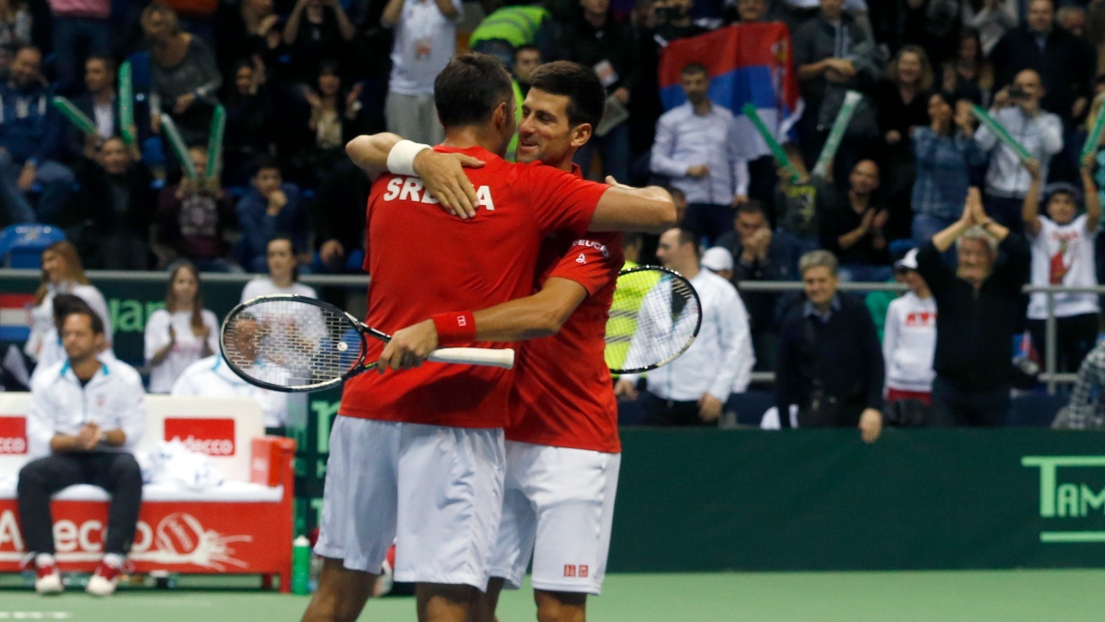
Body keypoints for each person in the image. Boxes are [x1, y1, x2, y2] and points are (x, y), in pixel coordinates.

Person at [303, 53, 673, 622]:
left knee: (345, 594)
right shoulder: (520, 186)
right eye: (525, 114)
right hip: (473, 419)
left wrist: (412, 157)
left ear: (579, 133)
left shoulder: (389, 181)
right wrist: (420, 156)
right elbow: (663, 211)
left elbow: (361, 146)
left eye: (544, 119)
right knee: (459, 604)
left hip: (557, 431)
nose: (527, 128)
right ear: (502, 114)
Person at [18, 308, 146, 597]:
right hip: (66, 458)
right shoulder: (46, 380)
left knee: (130, 469)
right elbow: (39, 437)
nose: (71, 340)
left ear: (98, 339)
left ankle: (112, 562)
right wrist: (75, 440)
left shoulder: (124, 377)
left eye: (79, 334)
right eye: (66, 334)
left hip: (108, 456)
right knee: (30, 474)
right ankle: (44, 563)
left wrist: (101, 435)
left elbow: (133, 432)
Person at [615, 227, 754, 426]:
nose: (658, 253)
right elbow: (641, 340)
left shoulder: (721, 291)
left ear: (687, 248)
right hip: (658, 398)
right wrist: (629, 377)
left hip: (702, 400)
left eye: (665, 247)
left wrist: (719, 393)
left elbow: (736, 345)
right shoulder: (656, 291)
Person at [916, 188, 1030, 426]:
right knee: (947, 457)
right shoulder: (947, 284)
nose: (971, 259)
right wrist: (963, 225)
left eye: (979, 253)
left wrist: (984, 223)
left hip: (994, 391)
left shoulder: (1005, 284)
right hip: (949, 389)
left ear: (992, 256)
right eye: (965, 253)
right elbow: (924, 256)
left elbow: (1021, 250)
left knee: (989, 459)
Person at [775, 250, 884, 442]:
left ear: (836, 280)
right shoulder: (793, 319)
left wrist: (873, 407)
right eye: (810, 281)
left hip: (855, 414)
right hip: (812, 415)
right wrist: (785, 426)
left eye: (822, 280)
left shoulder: (856, 311)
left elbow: (875, 362)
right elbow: (784, 375)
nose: (816, 287)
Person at [650, 63, 750, 245]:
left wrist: (741, 189)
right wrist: (687, 169)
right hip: (689, 199)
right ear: (682, 85)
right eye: (688, 83)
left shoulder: (725, 117)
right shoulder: (671, 120)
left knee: (725, 249)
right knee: (689, 248)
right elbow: (656, 161)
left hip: (723, 198)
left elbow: (737, 158)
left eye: (698, 82)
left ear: (708, 82)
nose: (693, 88)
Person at [1023, 157, 1101, 375]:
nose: (1062, 206)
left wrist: (1086, 174)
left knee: (1082, 373)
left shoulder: (1082, 229)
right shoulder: (1043, 229)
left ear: (1075, 209)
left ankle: (1080, 411)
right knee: (1049, 372)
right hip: (1045, 311)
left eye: (1068, 202)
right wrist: (1035, 180)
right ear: (1048, 207)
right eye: (1057, 201)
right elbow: (1028, 217)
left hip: (1082, 309)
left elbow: (1095, 213)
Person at [974, 69, 1064, 235]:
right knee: (996, 253)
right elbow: (982, 143)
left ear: (1040, 91)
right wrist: (996, 107)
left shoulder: (1050, 120)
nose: (1025, 90)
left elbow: (1054, 147)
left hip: (1030, 198)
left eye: (1030, 86)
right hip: (997, 195)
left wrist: (1035, 115)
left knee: (1026, 251)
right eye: (1020, 86)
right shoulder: (1002, 115)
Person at [171, 313, 289, 434]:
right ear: (228, 340)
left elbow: (294, 427)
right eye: (247, 339)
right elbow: (174, 417)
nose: (255, 345)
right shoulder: (196, 375)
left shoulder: (280, 377)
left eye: (258, 339)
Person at [715, 200, 799, 370]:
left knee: (771, 366)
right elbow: (721, 287)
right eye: (746, 226)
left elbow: (783, 287)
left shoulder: (781, 245)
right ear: (736, 225)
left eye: (757, 227)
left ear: (766, 226)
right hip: (733, 318)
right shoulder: (726, 244)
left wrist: (762, 258)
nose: (752, 233)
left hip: (771, 319)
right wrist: (746, 258)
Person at [564, 0, 640, 183]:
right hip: (582, 112)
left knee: (618, 174)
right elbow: (563, 69)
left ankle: (619, 211)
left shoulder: (623, 32)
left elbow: (638, 66)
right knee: (575, 174)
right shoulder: (569, 33)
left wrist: (627, 87)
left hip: (615, 112)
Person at [989, 0, 1096, 127]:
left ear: (1053, 14)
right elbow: (997, 72)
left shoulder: (1069, 42)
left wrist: (1083, 96)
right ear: (1028, 14)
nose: (1040, 17)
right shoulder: (1012, 39)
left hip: (1060, 112)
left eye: (1045, 12)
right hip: (1018, 110)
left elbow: (1085, 72)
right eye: (1035, 12)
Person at [0, 46, 75, 224]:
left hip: (36, 161)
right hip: (5, 159)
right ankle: (29, 223)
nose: (26, 70)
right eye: (23, 64)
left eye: (32, 66)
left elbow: (53, 135)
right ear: (13, 63)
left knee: (64, 177)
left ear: (39, 71)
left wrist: (33, 163)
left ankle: (40, 224)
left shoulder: (48, 97)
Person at [382, 0, 464, 145]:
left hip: (440, 88)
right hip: (403, 87)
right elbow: (388, 19)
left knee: (439, 149)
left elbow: (451, 13)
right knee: (403, 150)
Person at [873, 45, 933, 238]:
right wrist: (885, 133)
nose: (908, 68)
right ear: (896, 66)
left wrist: (921, 131)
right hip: (884, 154)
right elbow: (872, 121)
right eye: (905, 63)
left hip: (915, 158)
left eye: (913, 64)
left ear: (921, 69)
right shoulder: (883, 88)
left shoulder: (928, 96)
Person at [142, 3, 222, 146]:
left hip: (203, 111)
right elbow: (155, 89)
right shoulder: (153, 53)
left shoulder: (195, 45)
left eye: (161, 24)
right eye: (153, 25)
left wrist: (194, 95)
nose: (158, 30)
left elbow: (216, 80)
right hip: (174, 117)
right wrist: (154, 112)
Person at [911, 91, 985, 244]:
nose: (937, 110)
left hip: (958, 214)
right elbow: (924, 158)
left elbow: (978, 161)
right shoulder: (922, 134)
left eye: (941, 105)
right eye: (932, 106)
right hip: (929, 212)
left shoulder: (960, 138)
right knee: (930, 261)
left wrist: (967, 130)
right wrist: (936, 128)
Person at [72, 136, 155, 270]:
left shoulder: (136, 180)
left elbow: (145, 188)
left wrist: (134, 149)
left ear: (127, 156)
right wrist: (89, 150)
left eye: (119, 152)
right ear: (101, 158)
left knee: (137, 247)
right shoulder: (96, 181)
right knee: (113, 246)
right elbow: (86, 177)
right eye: (108, 154)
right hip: (104, 238)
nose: (114, 158)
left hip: (134, 238)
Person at [23, 241, 113, 364]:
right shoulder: (46, 295)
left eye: (52, 260)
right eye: (44, 262)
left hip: (76, 366)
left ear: (68, 261)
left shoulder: (89, 294)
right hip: (42, 365)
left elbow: (104, 338)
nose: (47, 267)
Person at [153, 145, 237, 272]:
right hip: (181, 258)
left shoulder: (221, 194)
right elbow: (161, 225)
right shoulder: (170, 193)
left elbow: (232, 224)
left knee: (237, 274)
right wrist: (179, 196)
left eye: (203, 166)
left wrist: (220, 198)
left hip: (214, 257)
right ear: (183, 167)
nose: (199, 170)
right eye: (194, 165)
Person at [145, 262, 218, 394]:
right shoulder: (160, 318)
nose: (186, 287)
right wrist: (171, 342)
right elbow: (151, 360)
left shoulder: (208, 318)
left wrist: (205, 341)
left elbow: (215, 362)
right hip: (164, 389)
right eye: (181, 282)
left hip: (197, 391)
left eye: (191, 282)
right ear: (172, 286)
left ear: (197, 287)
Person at [819, 159, 893, 282]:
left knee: (894, 278)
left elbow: (883, 252)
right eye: (859, 174)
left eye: (869, 176)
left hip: (873, 268)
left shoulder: (880, 209)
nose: (863, 180)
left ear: (876, 183)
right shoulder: (834, 205)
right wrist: (862, 230)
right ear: (851, 177)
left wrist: (877, 232)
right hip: (843, 267)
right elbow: (831, 246)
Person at [882, 249, 937, 405]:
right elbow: (889, 347)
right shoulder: (897, 307)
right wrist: (885, 385)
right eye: (906, 271)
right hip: (899, 384)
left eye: (915, 271)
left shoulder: (945, 306)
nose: (910, 276)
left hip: (933, 386)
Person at [235, 158, 308, 273]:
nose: (271, 183)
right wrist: (272, 212)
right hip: (260, 257)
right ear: (254, 181)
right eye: (265, 178)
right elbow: (260, 247)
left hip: (290, 252)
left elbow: (302, 226)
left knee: (305, 268)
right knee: (262, 263)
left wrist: (302, 250)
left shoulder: (292, 194)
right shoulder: (246, 207)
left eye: (275, 178)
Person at [281, 0, 356, 87]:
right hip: (303, 75)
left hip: (330, 73)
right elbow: (288, 40)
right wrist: (299, 7)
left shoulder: (332, 15)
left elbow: (349, 36)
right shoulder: (298, 17)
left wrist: (336, 6)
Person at [47, 0, 110, 94]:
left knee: (100, 75)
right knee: (66, 76)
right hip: (64, 16)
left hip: (99, 17)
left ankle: (99, 108)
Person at [65, 56, 121, 162]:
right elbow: (70, 142)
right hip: (89, 162)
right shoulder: (77, 105)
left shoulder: (124, 104)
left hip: (120, 159)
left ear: (110, 76)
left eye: (96, 72)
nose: (90, 77)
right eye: (88, 72)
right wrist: (90, 153)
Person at [29, 294, 93, 377]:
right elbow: (39, 376)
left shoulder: (94, 338)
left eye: (79, 333)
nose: (72, 339)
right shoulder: (51, 337)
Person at [241, 235, 317, 301]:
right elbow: (243, 317)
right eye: (271, 254)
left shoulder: (307, 294)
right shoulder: (253, 288)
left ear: (294, 259)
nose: (276, 260)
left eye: (282, 254)